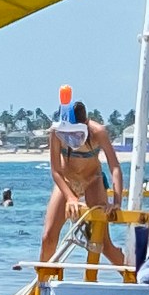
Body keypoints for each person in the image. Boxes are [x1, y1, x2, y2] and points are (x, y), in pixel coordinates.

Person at [33, 88, 117, 278]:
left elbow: (115, 167)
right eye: (67, 135)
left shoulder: (98, 132)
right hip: (67, 182)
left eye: (76, 135)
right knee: (48, 238)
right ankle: (41, 289)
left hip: (92, 180)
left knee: (103, 243)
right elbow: (55, 170)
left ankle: (134, 285)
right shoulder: (55, 133)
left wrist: (116, 200)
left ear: (85, 126)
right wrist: (70, 197)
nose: (71, 140)